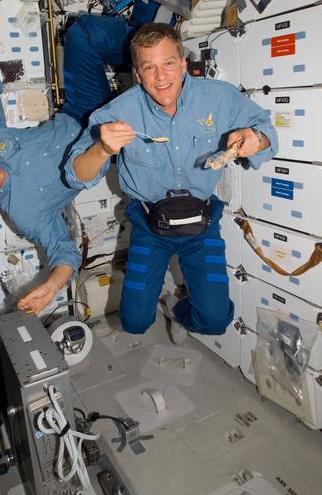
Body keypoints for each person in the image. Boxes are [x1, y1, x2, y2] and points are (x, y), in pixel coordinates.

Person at [64, 23, 278, 338]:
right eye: (148, 67)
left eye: (168, 63)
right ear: (137, 74)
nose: (160, 76)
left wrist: (256, 138)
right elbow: (76, 174)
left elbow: (268, 133)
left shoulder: (219, 98)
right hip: (149, 227)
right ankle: (157, 302)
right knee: (134, 323)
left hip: (202, 224)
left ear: (183, 63)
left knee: (215, 320)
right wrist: (102, 149)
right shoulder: (117, 112)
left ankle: (177, 309)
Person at [0, 0, 130, 314]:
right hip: (107, 148)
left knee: (81, 34)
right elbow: (63, 252)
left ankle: (148, 45)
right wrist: (52, 286)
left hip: (81, 111)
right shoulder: (24, 215)